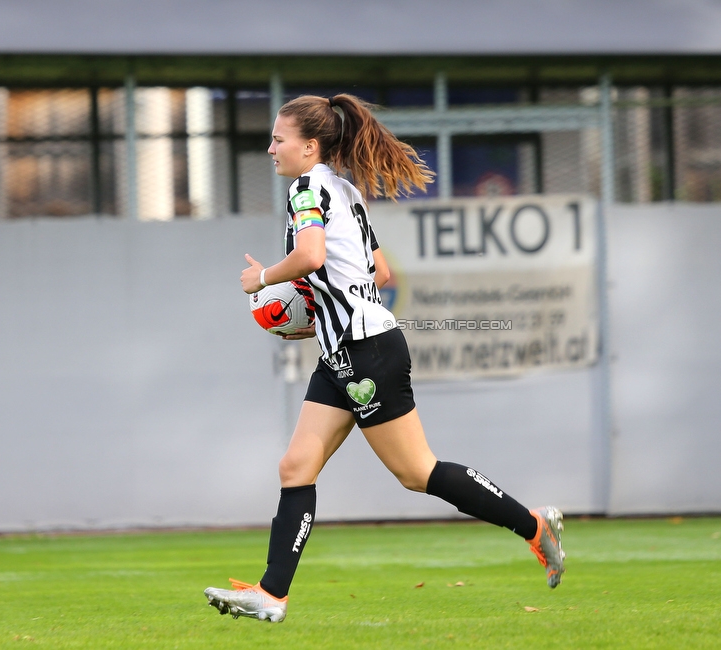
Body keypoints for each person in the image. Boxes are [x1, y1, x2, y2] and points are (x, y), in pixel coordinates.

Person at [203, 94, 565, 623]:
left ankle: (534, 525)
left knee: (418, 472)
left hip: (363, 351)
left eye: (278, 139)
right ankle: (271, 593)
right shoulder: (344, 190)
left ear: (309, 146)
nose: (270, 148)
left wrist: (261, 280)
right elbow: (380, 272)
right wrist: (317, 316)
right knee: (296, 466)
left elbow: (311, 257)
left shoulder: (307, 188)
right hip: (348, 349)